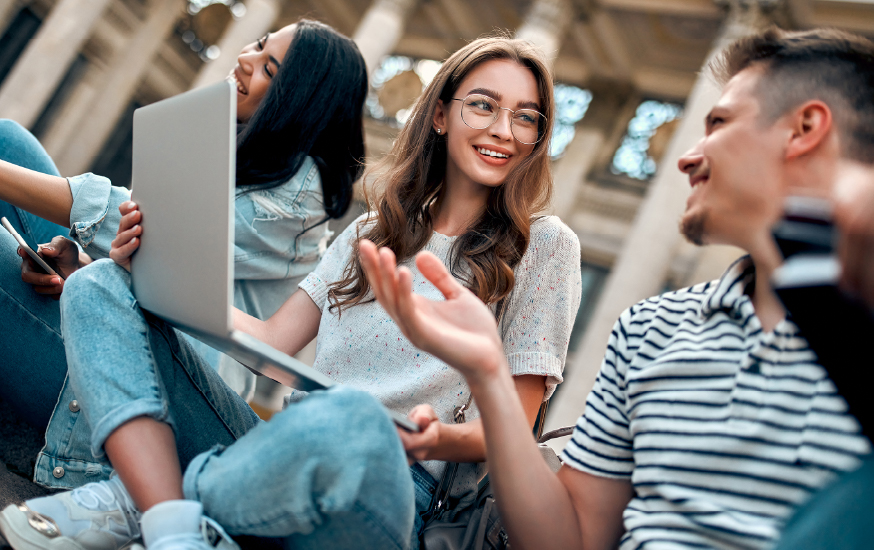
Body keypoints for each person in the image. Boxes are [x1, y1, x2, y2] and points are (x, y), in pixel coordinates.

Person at [0, 37, 582, 550]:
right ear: (439, 116)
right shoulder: (369, 232)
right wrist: (143, 279)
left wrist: (428, 437)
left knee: (354, 416)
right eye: (483, 105)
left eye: (526, 118)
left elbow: (507, 431)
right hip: (276, 444)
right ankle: (176, 528)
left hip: (393, 486)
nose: (504, 131)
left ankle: (143, 503)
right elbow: (270, 343)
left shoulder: (545, 247)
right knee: (101, 283)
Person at [357, 27, 874, 550]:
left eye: (718, 123)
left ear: (804, 127)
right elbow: (569, 542)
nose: (685, 158)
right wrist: (490, 375)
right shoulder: (650, 331)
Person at [0, 17, 367, 424]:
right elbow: (159, 269)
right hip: (122, 320)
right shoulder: (238, 141)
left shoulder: (300, 190)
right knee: (9, 139)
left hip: (156, 377)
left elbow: (147, 225)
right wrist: (80, 268)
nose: (245, 59)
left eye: (268, 69)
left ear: (300, 103)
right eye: (258, 45)